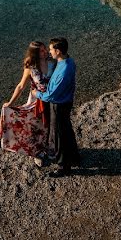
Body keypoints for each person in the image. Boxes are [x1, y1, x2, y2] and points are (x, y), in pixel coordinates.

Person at [0, 41, 54, 166]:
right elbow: (21, 86)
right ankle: (37, 152)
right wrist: (11, 102)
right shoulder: (30, 66)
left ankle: (50, 148)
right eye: (41, 51)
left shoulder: (52, 61)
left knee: (51, 124)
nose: (45, 52)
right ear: (35, 53)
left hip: (52, 99)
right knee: (34, 125)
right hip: (36, 100)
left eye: (45, 49)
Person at [36, 37, 79, 177]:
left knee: (59, 136)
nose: (49, 51)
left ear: (58, 51)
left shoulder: (63, 70)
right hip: (66, 102)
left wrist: (36, 93)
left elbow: (50, 95)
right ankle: (75, 157)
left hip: (59, 105)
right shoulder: (69, 61)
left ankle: (63, 167)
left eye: (51, 49)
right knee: (67, 130)